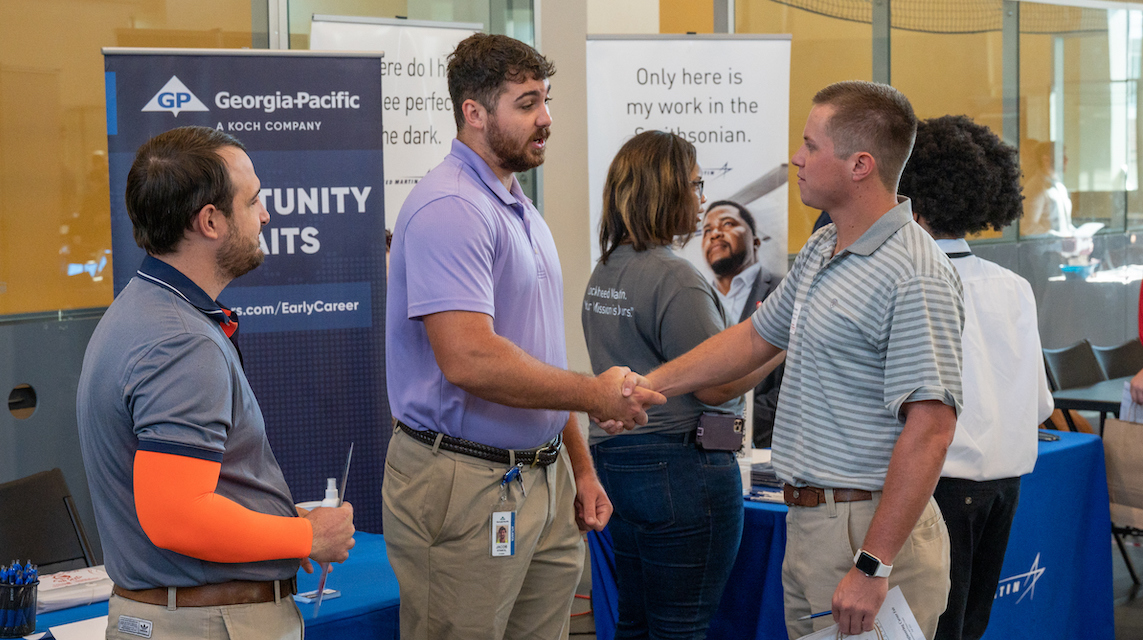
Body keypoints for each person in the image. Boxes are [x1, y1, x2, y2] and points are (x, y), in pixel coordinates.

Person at [639, 81, 963, 639]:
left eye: (812, 146)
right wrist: (650, 386)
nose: (797, 157)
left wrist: (872, 563)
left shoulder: (916, 273)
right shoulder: (822, 247)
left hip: (867, 531)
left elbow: (931, 429)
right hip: (814, 525)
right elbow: (753, 339)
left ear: (860, 165)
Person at [383, 33, 664, 640]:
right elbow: (469, 360)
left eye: (546, 99)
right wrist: (595, 396)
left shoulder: (518, 208)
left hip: (540, 477)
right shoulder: (450, 208)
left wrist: (580, 468)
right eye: (528, 102)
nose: (546, 119)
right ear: (474, 113)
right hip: (462, 482)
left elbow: (539, 361)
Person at [76, 126, 356, 640]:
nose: (266, 215)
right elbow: (178, 517)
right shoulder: (181, 342)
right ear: (210, 221)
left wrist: (271, 521)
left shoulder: (143, 312)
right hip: (209, 624)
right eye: (253, 202)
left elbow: (189, 491)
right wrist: (306, 536)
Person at [584, 131, 769, 638]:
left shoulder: (606, 270)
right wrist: (776, 345)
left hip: (619, 465)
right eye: (694, 184)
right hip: (680, 472)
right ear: (665, 192)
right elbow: (715, 386)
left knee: (636, 622)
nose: (702, 197)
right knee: (681, 628)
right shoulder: (676, 278)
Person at [899, 115, 1054, 640]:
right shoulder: (1013, 286)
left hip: (936, 488)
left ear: (909, 202)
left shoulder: (911, 285)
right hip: (1004, 489)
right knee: (969, 628)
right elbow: (1038, 406)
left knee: (930, 627)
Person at [701, 199, 786, 447]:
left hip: (764, 449)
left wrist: (727, 428)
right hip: (702, 448)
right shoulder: (695, 297)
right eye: (707, 231)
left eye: (727, 224)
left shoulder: (785, 292)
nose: (715, 233)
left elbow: (795, 385)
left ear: (756, 241)